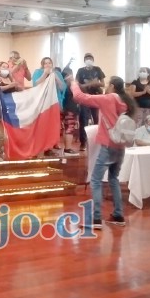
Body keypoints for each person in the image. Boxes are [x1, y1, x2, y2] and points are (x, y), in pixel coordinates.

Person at [70, 75, 137, 229]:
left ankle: (96, 219)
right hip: (121, 146)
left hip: (108, 145)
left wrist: (74, 83)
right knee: (113, 179)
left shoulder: (109, 99)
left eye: (108, 85)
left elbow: (80, 97)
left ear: (112, 86)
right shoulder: (126, 102)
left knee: (95, 180)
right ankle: (118, 215)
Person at [75, 53, 105, 151]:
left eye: (90, 58)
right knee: (83, 120)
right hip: (84, 97)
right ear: (84, 60)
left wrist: (92, 83)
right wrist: (89, 84)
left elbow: (103, 84)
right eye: (87, 58)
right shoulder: (80, 71)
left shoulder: (97, 69)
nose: (89, 60)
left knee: (97, 119)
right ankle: (83, 143)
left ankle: (98, 141)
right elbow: (77, 84)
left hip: (96, 97)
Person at [59, 68, 80, 154]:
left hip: (65, 108)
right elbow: (77, 96)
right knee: (70, 128)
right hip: (71, 109)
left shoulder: (63, 86)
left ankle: (66, 148)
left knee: (66, 128)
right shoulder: (71, 85)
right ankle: (68, 148)